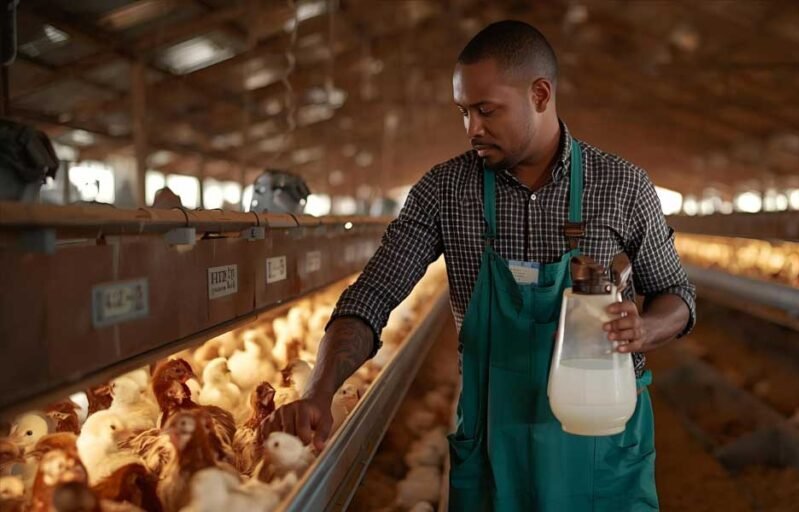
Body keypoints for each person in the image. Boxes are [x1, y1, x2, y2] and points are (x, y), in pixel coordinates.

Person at [262, 20, 696, 510]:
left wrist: (646, 328)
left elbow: (677, 294)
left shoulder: (622, 186)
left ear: (539, 94)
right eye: (463, 112)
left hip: (599, 438)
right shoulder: (445, 191)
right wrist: (320, 390)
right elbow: (372, 295)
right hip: (494, 440)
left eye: (486, 110)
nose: (472, 128)